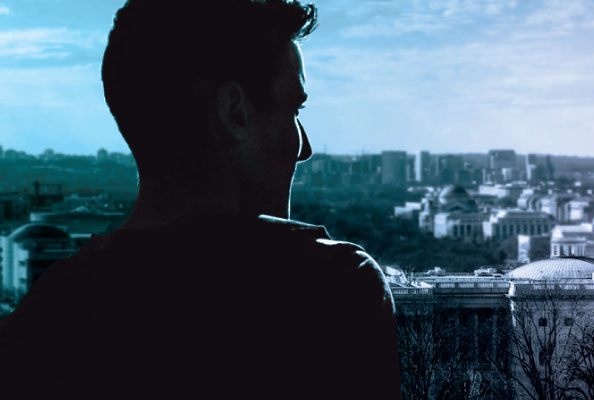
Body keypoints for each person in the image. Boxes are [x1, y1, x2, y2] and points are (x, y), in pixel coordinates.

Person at [0, 0, 401, 398]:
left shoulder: (44, 318)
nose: (305, 147)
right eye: (293, 109)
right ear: (234, 112)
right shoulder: (331, 290)